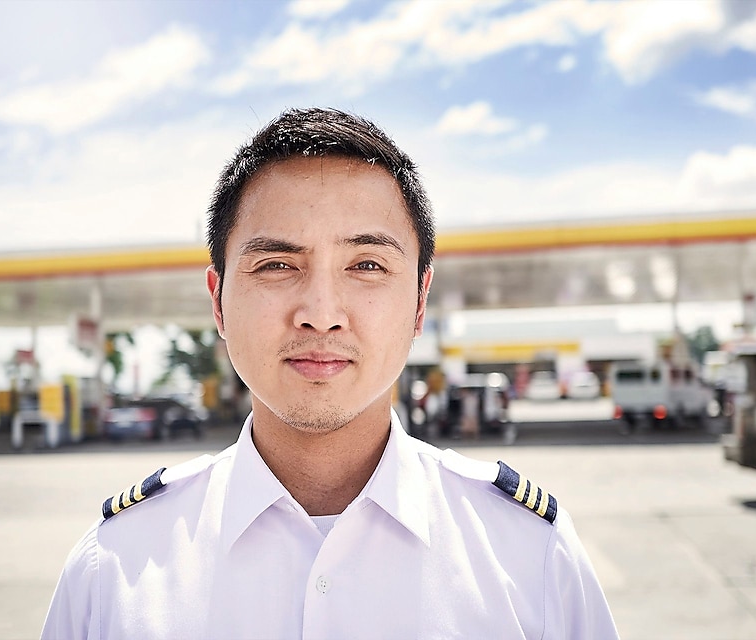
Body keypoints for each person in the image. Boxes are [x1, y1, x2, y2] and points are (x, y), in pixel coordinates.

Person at [41, 107, 619, 639]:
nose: (321, 315)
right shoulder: (111, 571)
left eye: (366, 265)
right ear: (218, 301)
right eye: (277, 264)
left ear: (420, 303)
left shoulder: (531, 557)